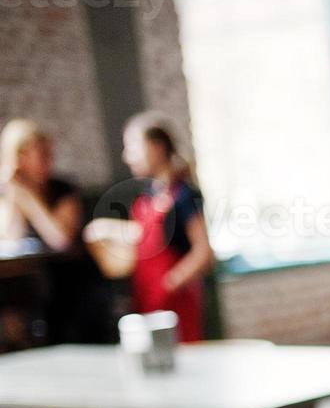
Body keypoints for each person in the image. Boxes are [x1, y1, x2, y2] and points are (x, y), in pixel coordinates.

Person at [0, 119, 113, 344]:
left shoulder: (64, 189)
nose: (49, 160)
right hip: (38, 290)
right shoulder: (11, 191)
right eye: (41, 154)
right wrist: (13, 193)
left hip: (76, 286)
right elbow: (10, 237)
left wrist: (28, 197)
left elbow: (61, 240)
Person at [118, 113, 213, 342]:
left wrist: (169, 284)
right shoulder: (148, 195)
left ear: (158, 147)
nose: (126, 156)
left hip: (176, 304)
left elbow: (203, 252)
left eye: (133, 147)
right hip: (147, 302)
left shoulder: (183, 194)